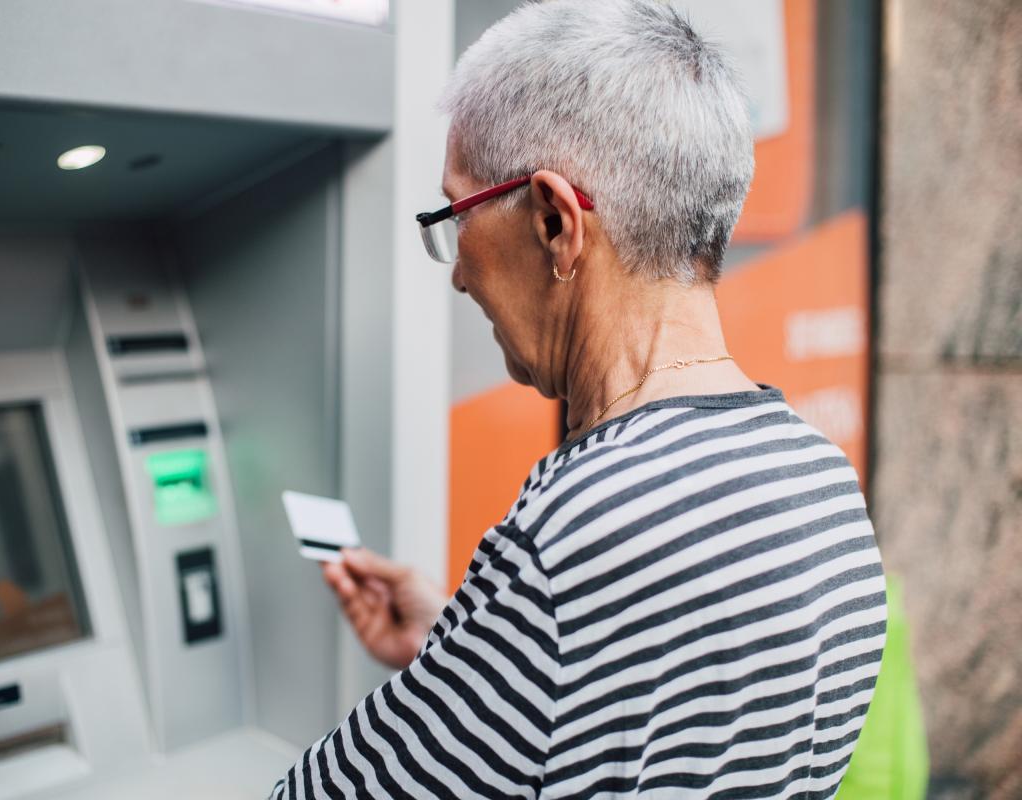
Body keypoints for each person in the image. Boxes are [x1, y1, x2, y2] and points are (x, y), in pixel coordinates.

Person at [270, 1, 887, 796]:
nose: (457, 271)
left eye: (456, 215)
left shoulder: (575, 535)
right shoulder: (820, 482)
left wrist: (515, 622)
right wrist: (464, 646)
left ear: (558, 221)